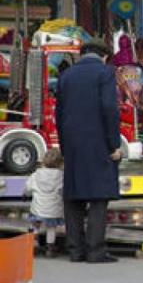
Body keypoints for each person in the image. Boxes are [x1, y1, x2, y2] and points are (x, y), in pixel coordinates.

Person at [56, 39, 122, 263]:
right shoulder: (105, 73)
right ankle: (95, 250)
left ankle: (75, 250)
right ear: (104, 56)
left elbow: (59, 114)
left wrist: (65, 147)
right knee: (98, 196)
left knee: (73, 197)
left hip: (73, 144)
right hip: (98, 142)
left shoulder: (66, 76)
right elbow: (109, 108)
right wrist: (114, 144)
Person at [25, 149, 64, 258]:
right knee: (51, 228)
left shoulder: (36, 174)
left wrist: (26, 194)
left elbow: (28, 188)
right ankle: (49, 248)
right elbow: (63, 190)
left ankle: (32, 245)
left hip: (38, 207)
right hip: (53, 208)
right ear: (60, 163)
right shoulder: (61, 176)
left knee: (35, 225)